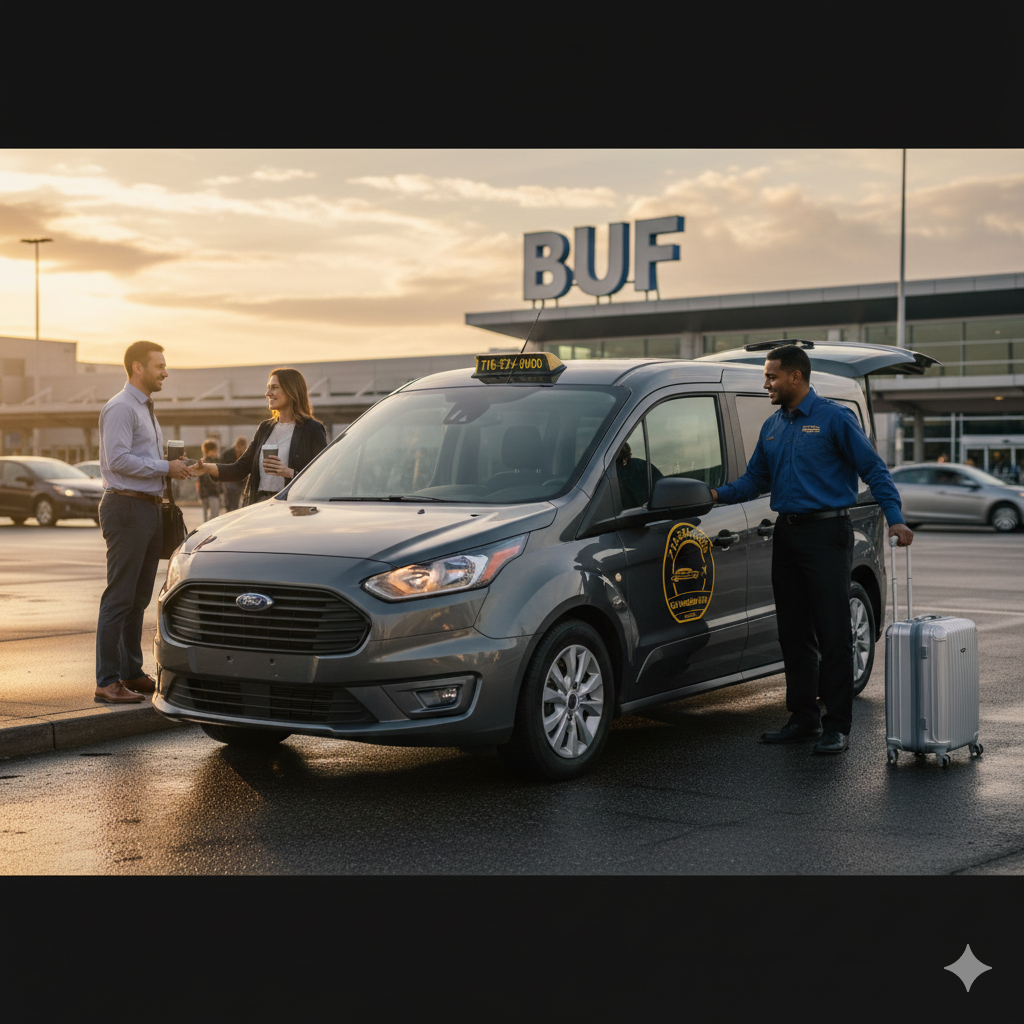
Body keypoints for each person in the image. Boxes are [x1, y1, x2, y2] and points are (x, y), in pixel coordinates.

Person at [711, 344, 913, 754]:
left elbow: (873, 469)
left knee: (833, 630)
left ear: (796, 378)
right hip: (786, 534)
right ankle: (803, 717)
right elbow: (754, 481)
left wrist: (895, 518)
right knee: (793, 631)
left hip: (827, 535)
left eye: (772, 376)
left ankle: (837, 725)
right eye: (767, 376)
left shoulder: (834, 419)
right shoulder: (772, 427)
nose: (766, 383)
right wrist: (715, 494)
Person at [94, 341, 192, 704]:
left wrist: (174, 466)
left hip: (148, 508)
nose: (165, 372)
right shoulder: (121, 407)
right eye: (159, 366)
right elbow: (118, 460)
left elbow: (140, 459)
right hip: (126, 508)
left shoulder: (146, 409)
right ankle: (106, 681)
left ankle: (130, 673)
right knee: (118, 597)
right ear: (137, 367)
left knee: (137, 598)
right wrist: (166, 467)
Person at [195, 367, 327, 504]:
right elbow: (240, 469)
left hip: (292, 506)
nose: (268, 393)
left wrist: (289, 473)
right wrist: (206, 467)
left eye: (274, 387)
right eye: (268, 388)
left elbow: (322, 476)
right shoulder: (265, 428)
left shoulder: (313, 429)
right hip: (259, 503)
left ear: (292, 391)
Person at [221, 435, 248, 512]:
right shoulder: (228, 453)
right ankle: (229, 512)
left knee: (235, 503)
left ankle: (232, 513)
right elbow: (222, 465)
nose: (239, 449)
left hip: (238, 482)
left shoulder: (246, 454)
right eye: (238, 447)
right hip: (228, 480)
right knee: (228, 502)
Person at [197, 439, 222, 521]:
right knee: (214, 517)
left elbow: (198, 481)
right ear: (212, 450)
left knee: (206, 518)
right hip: (213, 493)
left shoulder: (201, 462)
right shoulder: (216, 462)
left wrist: (199, 495)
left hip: (204, 494)